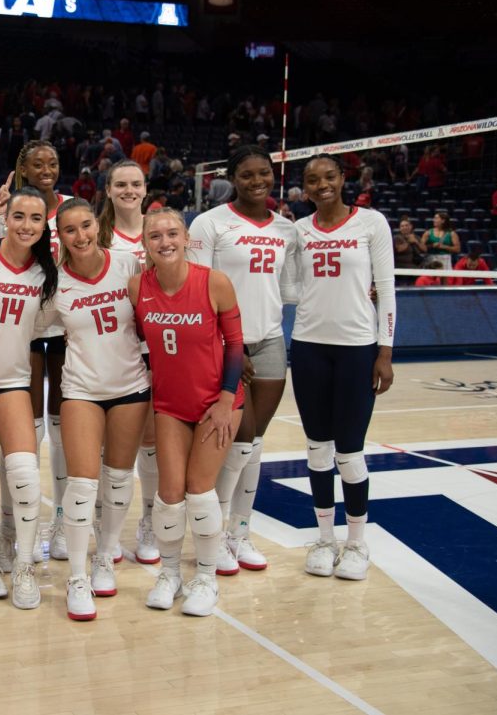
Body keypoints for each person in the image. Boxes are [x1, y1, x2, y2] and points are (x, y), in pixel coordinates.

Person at [190, 146, 299, 575]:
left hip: (270, 341)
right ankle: (214, 535)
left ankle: (240, 531)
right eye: (248, 174)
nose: (258, 181)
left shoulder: (287, 230)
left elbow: (290, 290)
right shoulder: (210, 223)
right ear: (233, 177)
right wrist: (225, 345)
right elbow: (198, 290)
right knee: (238, 439)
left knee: (254, 446)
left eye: (265, 174)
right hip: (225, 344)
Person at [134, 208, 244, 617]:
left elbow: (235, 345)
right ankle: (169, 574)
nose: (165, 242)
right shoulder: (137, 288)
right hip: (169, 403)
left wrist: (225, 399)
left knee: (200, 490)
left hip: (218, 401)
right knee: (168, 493)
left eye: (172, 234)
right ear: (145, 243)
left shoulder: (214, 282)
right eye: (155, 236)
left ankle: (207, 579)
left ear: (187, 239)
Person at [293, 154, 395, 582]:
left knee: (349, 452)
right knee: (318, 449)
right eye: (313, 180)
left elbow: (386, 288)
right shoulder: (297, 230)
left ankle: (356, 543)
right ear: (305, 186)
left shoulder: (371, 223)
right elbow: (286, 285)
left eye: (329, 177)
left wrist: (385, 351)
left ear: (343, 178)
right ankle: (324, 539)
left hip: (356, 348)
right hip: (308, 346)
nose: (322, 185)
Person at [46, 198, 150, 620]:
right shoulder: (53, 283)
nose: (81, 236)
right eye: (70, 230)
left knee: (121, 477)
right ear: (61, 237)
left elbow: (153, 317)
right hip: (81, 389)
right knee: (83, 483)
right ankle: (76, 576)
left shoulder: (127, 265)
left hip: (130, 385)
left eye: (86, 225)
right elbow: (29, 326)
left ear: (97, 224)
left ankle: (106, 555)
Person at [0, 186, 58, 609]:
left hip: (11, 381)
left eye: (35, 218)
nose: (26, 225)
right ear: (4, 216)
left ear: (46, 224)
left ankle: (23, 566)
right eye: (18, 216)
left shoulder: (47, 273)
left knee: (25, 473)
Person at [95, 160, 161, 565]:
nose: (129, 190)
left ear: (145, 188)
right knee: (109, 445)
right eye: (121, 184)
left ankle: (150, 521)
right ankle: (107, 525)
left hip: (155, 347)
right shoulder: (98, 236)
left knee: (150, 441)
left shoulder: (159, 230)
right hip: (109, 347)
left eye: (135, 184)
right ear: (108, 189)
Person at [12, 139, 71, 560]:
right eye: (38, 163)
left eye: (52, 162)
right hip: (26, 330)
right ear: (25, 169)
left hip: (68, 327)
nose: (46, 168)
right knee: (28, 429)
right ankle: (22, 525)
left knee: (64, 428)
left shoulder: (72, 207)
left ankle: (65, 522)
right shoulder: (14, 209)